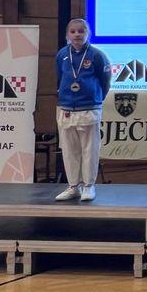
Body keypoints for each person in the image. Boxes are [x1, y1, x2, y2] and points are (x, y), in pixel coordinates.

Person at [54, 18, 111, 202]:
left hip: (89, 107)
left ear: (88, 34)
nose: (77, 34)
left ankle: (88, 185)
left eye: (81, 31)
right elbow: (59, 77)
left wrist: (96, 98)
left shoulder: (97, 55)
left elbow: (105, 81)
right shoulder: (62, 54)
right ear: (67, 35)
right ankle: (73, 186)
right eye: (73, 31)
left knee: (89, 149)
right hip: (66, 107)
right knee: (69, 149)